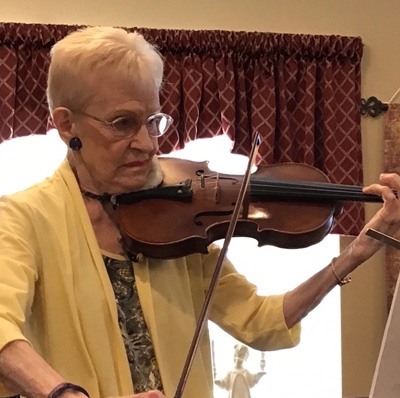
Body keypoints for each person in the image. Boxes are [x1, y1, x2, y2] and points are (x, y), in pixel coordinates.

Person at [0, 25, 400, 398]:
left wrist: (357, 252)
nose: (147, 144)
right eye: (122, 123)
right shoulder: (23, 219)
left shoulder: (175, 221)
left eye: (151, 121)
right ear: (66, 125)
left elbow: (259, 319)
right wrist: (63, 394)